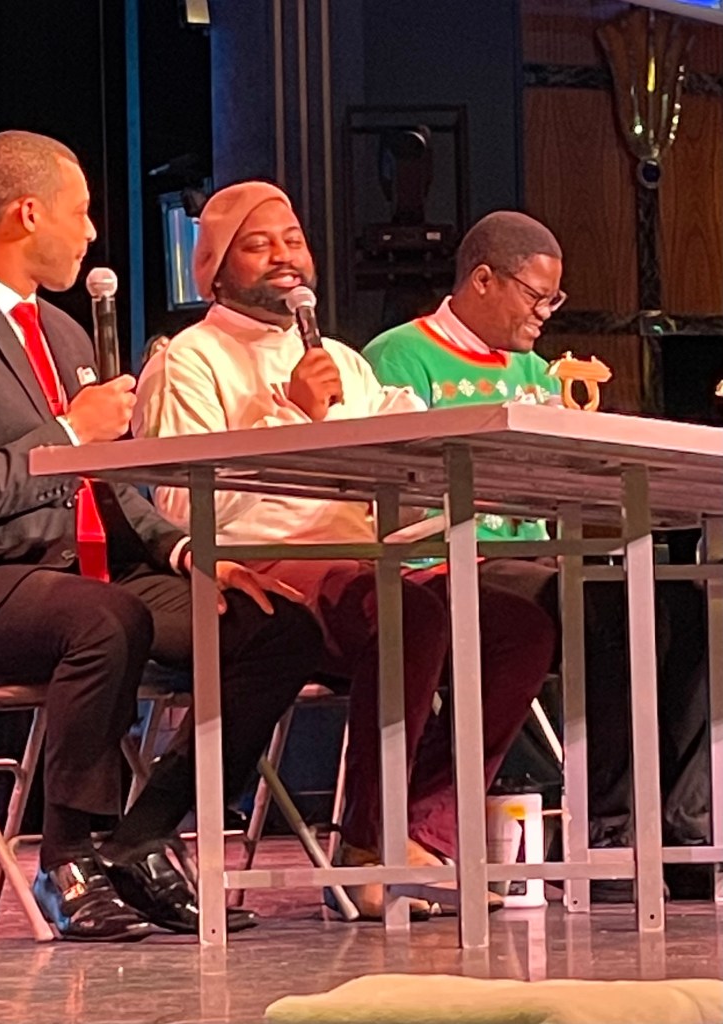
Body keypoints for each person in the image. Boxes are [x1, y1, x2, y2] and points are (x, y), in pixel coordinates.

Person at [0, 132, 323, 941]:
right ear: (27, 213)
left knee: (276, 627)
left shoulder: (66, 334)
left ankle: (142, 835)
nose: (91, 233)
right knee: (106, 619)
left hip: (84, 575)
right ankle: (66, 857)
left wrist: (189, 554)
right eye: (79, 214)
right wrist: (71, 433)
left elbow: (106, 487)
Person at [132, 181, 557, 919]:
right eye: (258, 245)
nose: (283, 256)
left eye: (293, 240)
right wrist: (293, 417)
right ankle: (365, 848)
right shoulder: (190, 360)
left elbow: (402, 460)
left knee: (518, 627)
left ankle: (421, 825)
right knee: (410, 615)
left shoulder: (343, 361)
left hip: (369, 561)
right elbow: (183, 506)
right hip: (261, 566)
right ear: (215, 271)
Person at [364, 210, 711, 899]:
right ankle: (607, 830)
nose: (546, 313)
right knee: (605, 608)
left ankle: (681, 830)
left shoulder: (534, 372)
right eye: (536, 295)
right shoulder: (398, 355)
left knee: (687, 605)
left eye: (554, 298)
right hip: (446, 562)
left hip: (539, 559)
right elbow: (393, 487)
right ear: (483, 280)